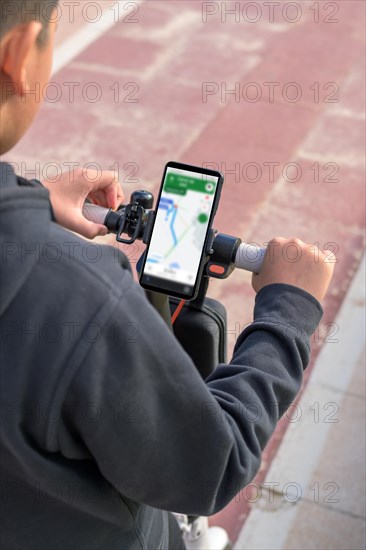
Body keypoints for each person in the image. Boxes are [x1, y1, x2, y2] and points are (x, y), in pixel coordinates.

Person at [0, 1, 335, 549]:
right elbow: (210, 466)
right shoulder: (77, 298)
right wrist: (289, 311)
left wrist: (27, 199)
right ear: (18, 55)